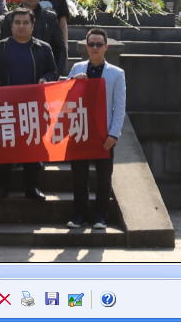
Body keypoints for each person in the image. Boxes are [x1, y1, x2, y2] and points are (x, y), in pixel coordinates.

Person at [0, 8, 59, 200]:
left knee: (32, 148)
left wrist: (45, 79)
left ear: (33, 26)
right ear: (11, 26)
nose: (21, 26)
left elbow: (54, 72)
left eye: (25, 23)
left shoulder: (43, 48)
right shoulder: (0, 47)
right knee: (4, 148)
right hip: (6, 107)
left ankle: (32, 188)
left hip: (33, 107)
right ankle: (1, 188)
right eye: (17, 22)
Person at [67, 28, 126, 230]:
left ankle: (101, 216)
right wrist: (73, 83)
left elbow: (119, 106)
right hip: (80, 130)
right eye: (91, 44)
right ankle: (80, 215)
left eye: (99, 44)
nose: (94, 48)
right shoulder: (77, 68)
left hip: (103, 133)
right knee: (79, 178)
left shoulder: (116, 73)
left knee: (104, 178)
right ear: (86, 47)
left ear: (106, 47)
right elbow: (64, 95)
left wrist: (114, 134)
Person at [3, 0, 67, 71]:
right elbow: (4, 47)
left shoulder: (50, 17)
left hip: (44, 70)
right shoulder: (10, 17)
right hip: (16, 68)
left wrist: (55, 73)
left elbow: (60, 47)